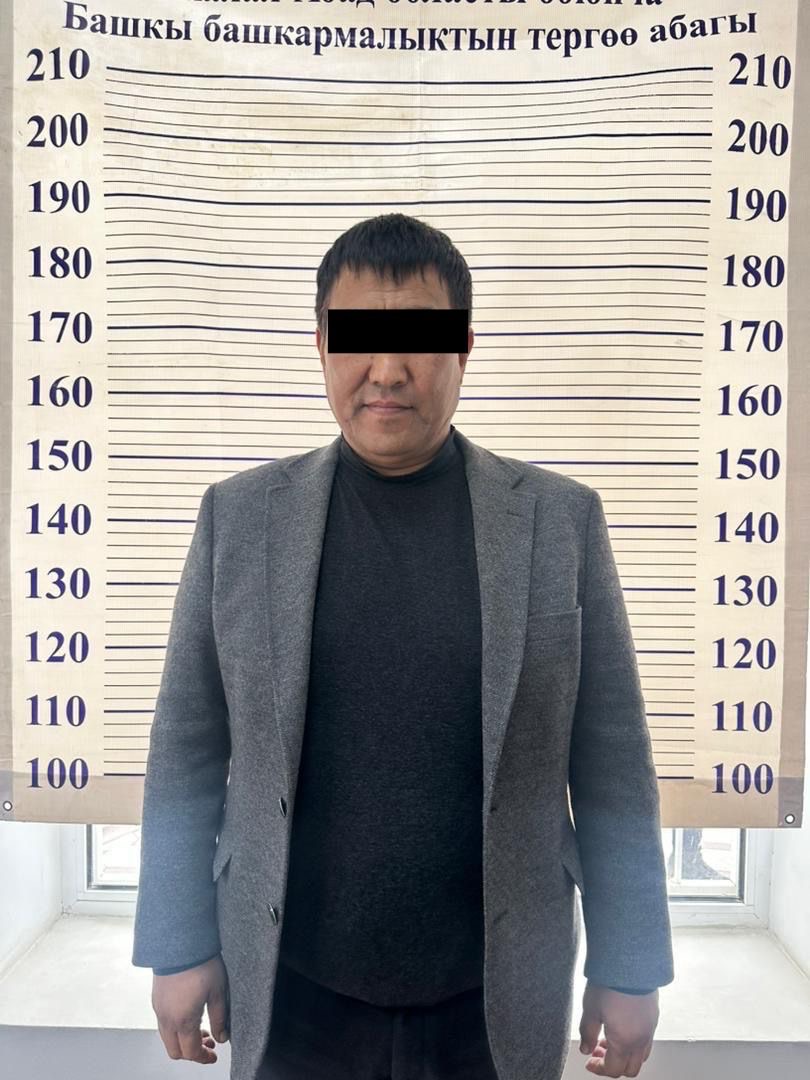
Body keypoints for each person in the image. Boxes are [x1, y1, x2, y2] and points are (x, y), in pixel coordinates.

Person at [132, 213, 674, 1080]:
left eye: (418, 339)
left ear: (463, 347)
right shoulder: (240, 518)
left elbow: (611, 761)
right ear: (321, 346)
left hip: (495, 1001)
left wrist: (632, 961)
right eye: (356, 339)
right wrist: (175, 943)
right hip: (290, 992)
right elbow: (187, 748)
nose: (387, 370)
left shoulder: (559, 522)